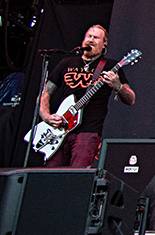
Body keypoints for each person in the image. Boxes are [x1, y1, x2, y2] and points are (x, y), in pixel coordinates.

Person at [37, 25, 135, 167]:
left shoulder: (109, 66)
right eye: (89, 36)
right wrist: (46, 116)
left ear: (104, 43)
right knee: (50, 175)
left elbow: (131, 99)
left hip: (88, 131)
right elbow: (45, 93)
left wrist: (118, 85)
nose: (91, 40)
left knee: (77, 177)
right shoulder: (66, 63)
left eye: (96, 38)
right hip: (59, 130)